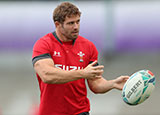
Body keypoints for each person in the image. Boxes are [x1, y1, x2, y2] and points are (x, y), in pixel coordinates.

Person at [32, 2, 129, 115]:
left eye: (78, 21)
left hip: (80, 112)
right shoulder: (44, 44)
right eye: (70, 23)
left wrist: (112, 84)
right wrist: (82, 73)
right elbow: (47, 75)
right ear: (57, 24)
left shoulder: (88, 47)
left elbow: (96, 84)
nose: (76, 27)